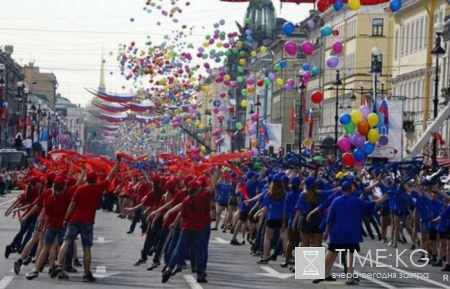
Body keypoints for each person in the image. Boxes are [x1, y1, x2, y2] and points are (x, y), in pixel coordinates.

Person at [50, 154, 121, 282]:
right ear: (96, 180)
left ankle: (59, 264)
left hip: (74, 219)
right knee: (87, 248)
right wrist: (118, 161)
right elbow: (112, 175)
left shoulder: (80, 189)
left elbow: (72, 204)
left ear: (87, 180)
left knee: (66, 241)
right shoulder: (99, 188)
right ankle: (86, 273)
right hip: (88, 221)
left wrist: (66, 218)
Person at [313, 181, 388, 285]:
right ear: (351, 189)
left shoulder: (336, 200)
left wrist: (326, 231)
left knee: (330, 252)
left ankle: (321, 273)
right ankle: (349, 276)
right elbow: (372, 203)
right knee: (350, 254)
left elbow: (329, 218)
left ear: (342, 190)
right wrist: (385, 197)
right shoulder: (356, 201)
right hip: (351, 232)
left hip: (337, 231)